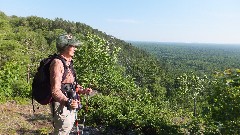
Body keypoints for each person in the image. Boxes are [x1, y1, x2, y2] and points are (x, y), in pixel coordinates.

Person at [50, 33, 92, 135]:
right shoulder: (57, 63)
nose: (75, 49)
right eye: (72, 46)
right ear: (64, 47)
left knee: (67, 129)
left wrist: (82, 90)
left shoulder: (68, 62)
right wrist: (67, 101)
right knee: (62, 131)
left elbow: (71, 84)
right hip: (61, 104)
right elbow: (55, 91)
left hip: (70, 103)